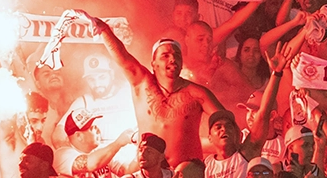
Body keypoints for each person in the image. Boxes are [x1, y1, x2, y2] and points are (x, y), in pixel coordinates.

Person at [83, 14, 224, 163]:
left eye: (177, 55)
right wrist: (104, 30)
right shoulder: (142, 84)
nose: (172, 59)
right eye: (165, 55)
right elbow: (123, 57)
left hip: (186, 175)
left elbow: (226, 123)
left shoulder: (198, 93)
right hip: (149, 172)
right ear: (154, 63)